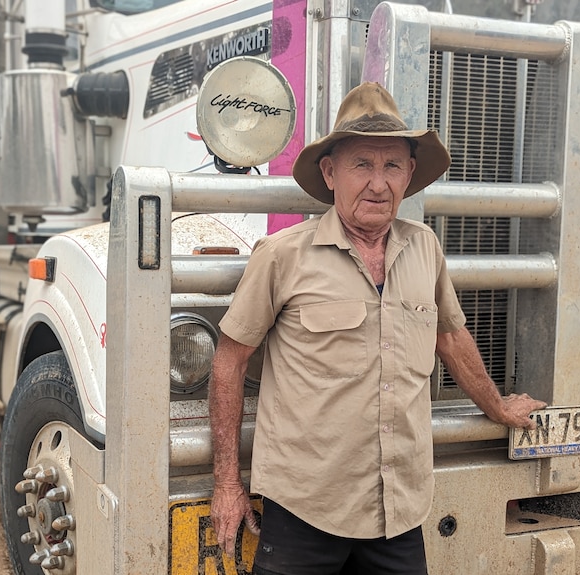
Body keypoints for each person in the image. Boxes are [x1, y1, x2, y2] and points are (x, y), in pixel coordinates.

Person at [208, 82, 547, 575]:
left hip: (398, 510)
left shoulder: (424, 247)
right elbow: (229, 359)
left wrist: (498, 407)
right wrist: (226, 484)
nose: (378, 183)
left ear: (409, 174)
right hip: (306, 508)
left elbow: (450, 338)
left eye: (392, 166)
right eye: (361, 164)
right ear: (330, 173)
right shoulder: (282, 256)